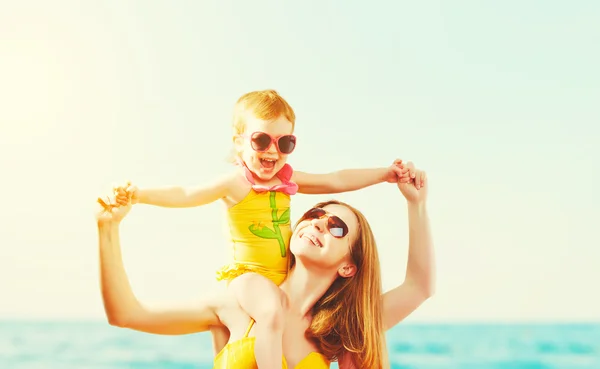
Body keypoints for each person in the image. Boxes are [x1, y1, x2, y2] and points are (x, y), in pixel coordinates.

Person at [109, 89, 409, 368]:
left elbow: (336, 180)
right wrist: (139, 195)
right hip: (249, 278)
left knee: (269, 314)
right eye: (261, 141)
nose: (273, 151)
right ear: (239, 141)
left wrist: (385, 174)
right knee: (271, 313)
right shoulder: (235, 183)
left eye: (285, 143)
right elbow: (186, 194)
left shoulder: (286, 180)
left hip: (278, 279)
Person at [97, 161, 434, 368]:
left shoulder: (338, 330)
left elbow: (419, 287)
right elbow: (126, 315)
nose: (318, 223)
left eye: (336, 227)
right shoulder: (237, 301)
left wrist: (415, 204)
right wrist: (107, 229)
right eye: (315, 215)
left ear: (349, 266)